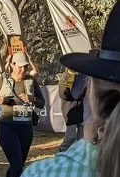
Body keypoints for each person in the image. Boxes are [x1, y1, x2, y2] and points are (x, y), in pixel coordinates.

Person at [21, 2, 120, 176]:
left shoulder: (41, 173)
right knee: (72, 139)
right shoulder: (73, 77)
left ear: (94, 93)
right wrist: (70, 75)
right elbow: (66, 93)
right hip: (75, 118)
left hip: (84, 118)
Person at [0, 51, 45, 177]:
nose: (23, 70)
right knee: (17, 168)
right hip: (7, 127)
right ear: (12, 64)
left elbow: (42, 103)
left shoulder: (31, 81)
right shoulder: (3, 80)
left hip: (26, 128)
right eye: (20, 67)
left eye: (25, 67)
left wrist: (32, 99)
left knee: (17, 166)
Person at [57, 69, 84, 152]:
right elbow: (63, 94)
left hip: (82, 111)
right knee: (71, 136)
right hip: (70, 111)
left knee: (82, 138)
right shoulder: (65, 77)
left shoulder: (82, 76)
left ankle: (79, 157)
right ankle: (60, 154)